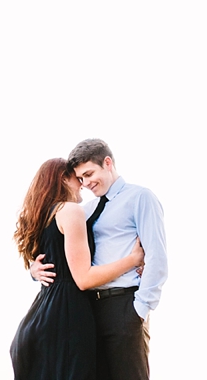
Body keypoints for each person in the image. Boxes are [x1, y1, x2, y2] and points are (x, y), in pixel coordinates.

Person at [31, 138, 168, 380]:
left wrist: (140, 309)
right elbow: (59, 247)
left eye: (89, 173)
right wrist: (33, 269)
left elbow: (157, 257)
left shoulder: (140, 197)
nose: (85, 183)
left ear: (108, 163)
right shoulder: (85, 209)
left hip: (124, 307)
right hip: (87, 311)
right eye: (80, 178)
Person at [10, 158, 144, 380]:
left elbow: (50, 263)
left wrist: (33, 272)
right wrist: (133, 259)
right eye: (78, 178)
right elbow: (83, 278)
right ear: (63, 179)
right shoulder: (70, 210)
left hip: (40, 317)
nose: (83, 183)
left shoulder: (43, 216)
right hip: (66, 318)